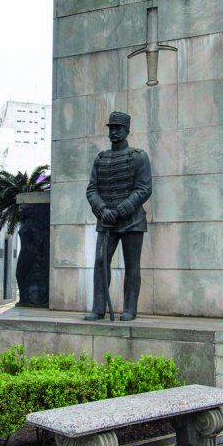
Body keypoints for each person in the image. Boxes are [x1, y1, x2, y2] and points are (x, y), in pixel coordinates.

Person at [85, 111, 152, 321]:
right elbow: (92, 189)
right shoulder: (100, 159)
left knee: (132, 266)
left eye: (118, 128)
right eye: (111, 128)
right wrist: (103, 210)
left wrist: (120, 210)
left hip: (132, 221)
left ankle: (130, 309)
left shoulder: (139, 157)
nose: (114, 132)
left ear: (126, 130)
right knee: (100, 263)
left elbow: (144, 189)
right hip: (106, 222)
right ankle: (98, 308)